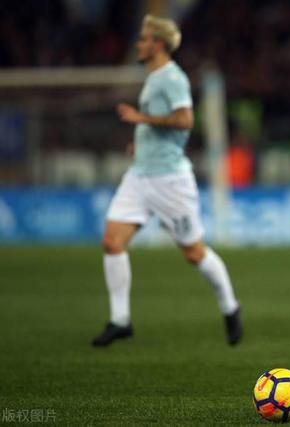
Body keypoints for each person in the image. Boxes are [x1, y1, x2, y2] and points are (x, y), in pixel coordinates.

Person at [92, 15, 242, 347]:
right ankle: (120, 320)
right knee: (112, 243)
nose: (138, 43)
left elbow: (185, 120)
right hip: (139, 176)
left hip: (170, 181)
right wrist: (141, 139)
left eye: (143, 39)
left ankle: (230, 306)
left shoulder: (171, 78)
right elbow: (162, 125)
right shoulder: (154, 77)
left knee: (194, 253)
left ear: (158, 44)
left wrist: (140, 117)